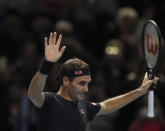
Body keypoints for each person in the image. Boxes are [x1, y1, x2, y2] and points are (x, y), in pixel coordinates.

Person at [28, 32, 159, 131]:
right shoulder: (50, 101)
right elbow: (33, 94)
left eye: (87, 83)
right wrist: (47, 64)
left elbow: (108, 106)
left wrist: (140, 91)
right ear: (66, 81)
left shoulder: (83, 107)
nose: (86, 89)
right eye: (81, 83)